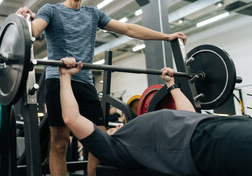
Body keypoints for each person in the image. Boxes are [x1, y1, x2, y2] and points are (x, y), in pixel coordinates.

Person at [16, 0, 187, 176]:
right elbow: (34, 31)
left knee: (99, 143)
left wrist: (166, 36)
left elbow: (128, 29)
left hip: (85, 82)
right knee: (59, 143)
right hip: (58, 81)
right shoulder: (51, 10)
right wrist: (24, 20)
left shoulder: (93, 14)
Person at [59, 57, 252, 176]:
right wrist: (65, 77)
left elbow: (188, 115)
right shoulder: (114, 147)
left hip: (213, 124)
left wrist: (171, 84)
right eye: (109, 129)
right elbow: (71, 118)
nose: (115, 127)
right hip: (201, 143)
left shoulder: (135, 127)